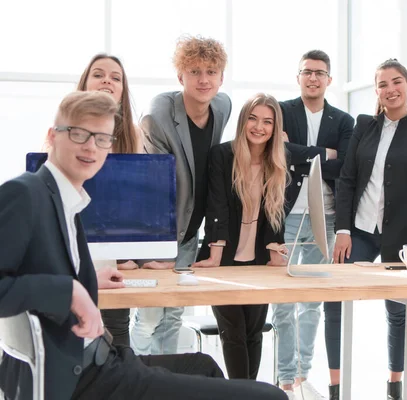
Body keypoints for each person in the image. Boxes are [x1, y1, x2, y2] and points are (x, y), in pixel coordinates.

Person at [0, 91, 286, 400]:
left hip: (101, 358)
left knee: (203, 365)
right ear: (52, 136)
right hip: (77, 377)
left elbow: (38, 268)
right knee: (271, 397)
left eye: (102, 139)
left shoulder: (69, 204)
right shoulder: (25, 194)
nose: (91, 147)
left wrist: (88, 281)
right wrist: (69, 291)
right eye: (79, 134)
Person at [328, 59, 407, 400]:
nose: (390, 89)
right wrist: (343, 229)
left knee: (398, 308)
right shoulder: (364, 126)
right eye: (382, 84)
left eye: (396, 82)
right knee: (335, 300)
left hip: (402, 237)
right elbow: (347, 180)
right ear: (376, 90)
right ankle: (336, 385)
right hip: (359, 232)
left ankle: (395, 383)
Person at [132, 35, 232, 355]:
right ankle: (136, 382)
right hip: (157, 233)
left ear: (221, 77)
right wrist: (152, 251)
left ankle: (164, 382)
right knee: (148, 319)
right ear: (180, 76)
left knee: (174, 316)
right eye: (194, 71)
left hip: (191, 232)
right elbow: (154, 188)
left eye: (211, 72)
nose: (204, 79)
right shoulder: (158, 115)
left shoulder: (223, 105)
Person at [274, 49, 354, 400]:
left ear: (329, 79)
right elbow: (278, 151)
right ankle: (284, 377)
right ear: (298, 77)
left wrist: (298, 151)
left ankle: (304, 373)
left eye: (320, 73)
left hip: (328, 214)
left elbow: (345, 165)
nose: (313, 78)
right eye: (307, 72)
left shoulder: (343, 119)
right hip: (287, 215)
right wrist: (323, 153)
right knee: (283, 301)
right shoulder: (281, 110)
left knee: (313, 302)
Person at [193, 93, 288, 380]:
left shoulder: (279, 161)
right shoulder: (223, 155)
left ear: (275, 127)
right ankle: (242, 393)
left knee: (253, 332)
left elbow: (276, 211)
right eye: (253, 118)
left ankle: (250, 392)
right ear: (243, 121)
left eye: (267, 122)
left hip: (258, 260)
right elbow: (216, 204)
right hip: (223, 259)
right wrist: (216, 254)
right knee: (233, 333)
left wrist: (275, 253)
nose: (259, 127)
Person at [76, 53, 143, 347]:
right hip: (76, 249)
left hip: (112, 251)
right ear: (86, 83)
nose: (107, 80)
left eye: (116, 77)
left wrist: (133, 254)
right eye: (99, 74)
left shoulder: (132, 134)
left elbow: (135, 200)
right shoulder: (64, 132)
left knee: (117, 339)